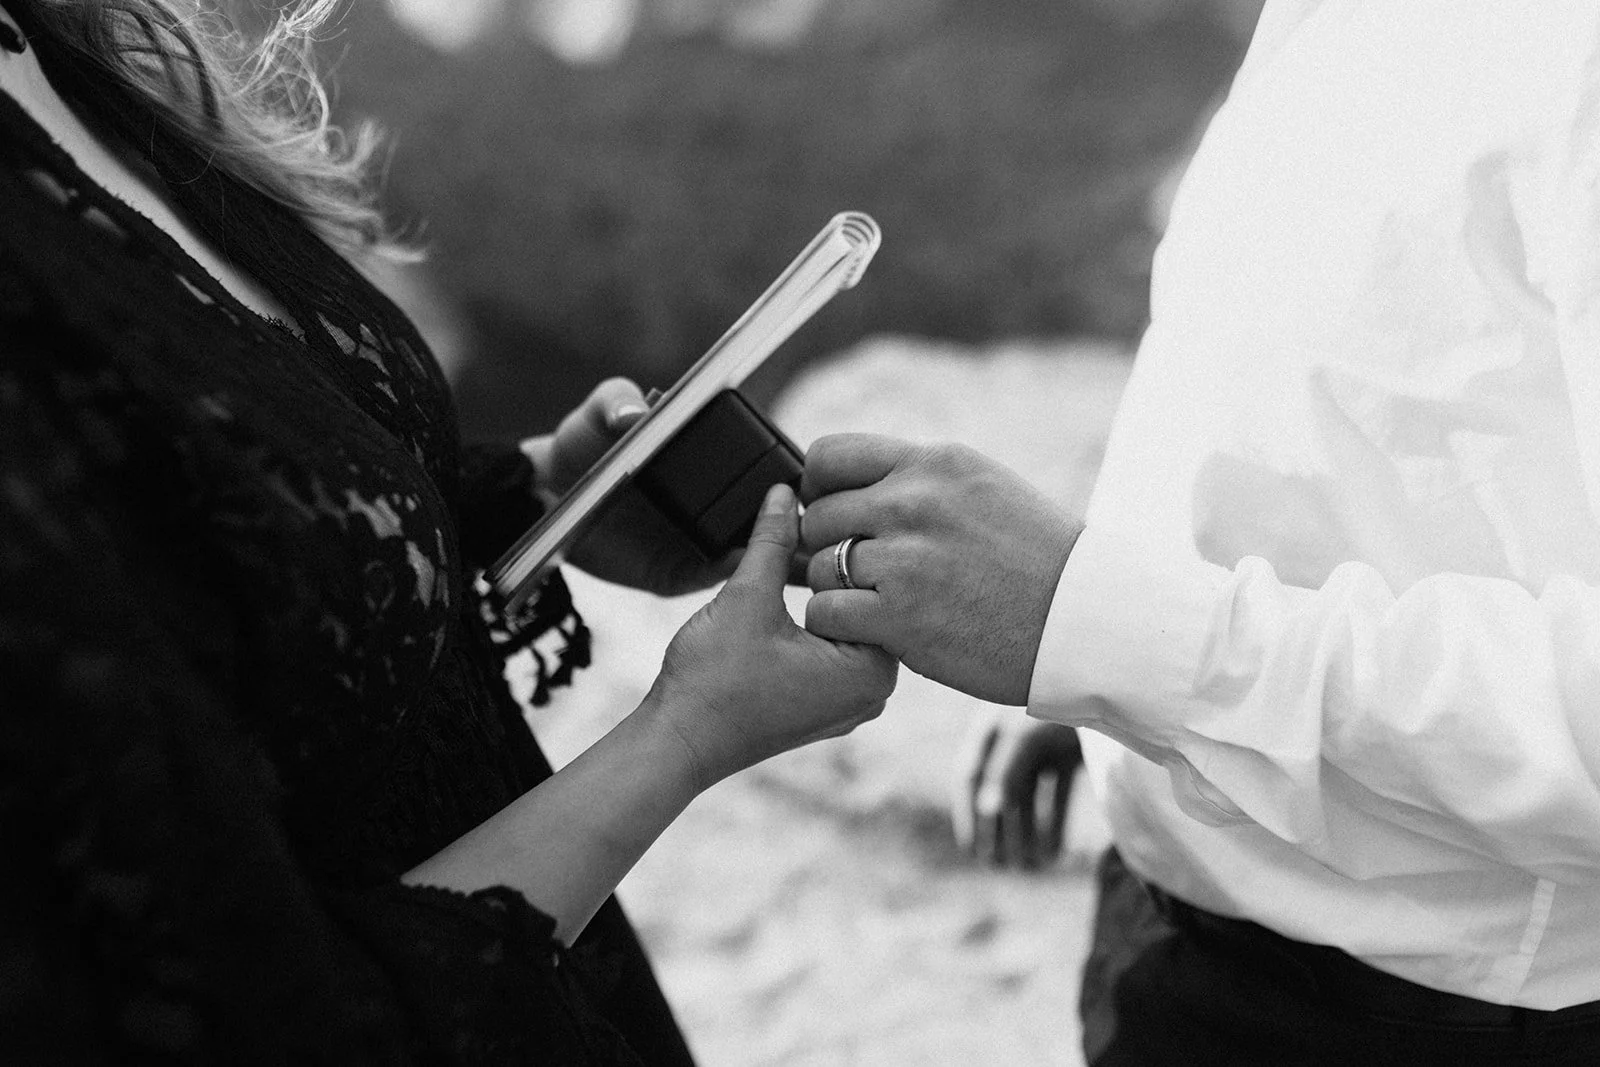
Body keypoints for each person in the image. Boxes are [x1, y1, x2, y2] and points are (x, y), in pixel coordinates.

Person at [0, 2, 897, 1062]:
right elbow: (260, 1018)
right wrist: (689, 729)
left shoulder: (60, 37)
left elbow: (199, 540)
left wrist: (520, 494)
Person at [798, 1, 1600, 1063]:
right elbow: (1326, 393)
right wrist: (1109, 687)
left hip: (1417, 1007)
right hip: (1177, 906)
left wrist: (1115, 631)